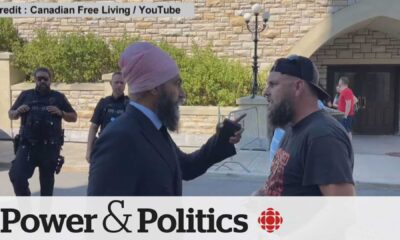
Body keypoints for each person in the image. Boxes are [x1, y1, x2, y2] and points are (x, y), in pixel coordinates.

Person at [87, 42, 244, 196]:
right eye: (176, 84)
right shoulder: (118, 138)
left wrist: (222, 139)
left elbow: (187, 167)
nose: (182, 94)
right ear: (154, 87)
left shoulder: (153, 128)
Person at [255, 55, 355, 196]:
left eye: (273, 84)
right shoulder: (292, 128)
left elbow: (342, 209)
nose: (265, 92)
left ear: (298, 87)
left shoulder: (323, 136)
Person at [8, 67, 77, 196]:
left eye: (45, 79)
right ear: (35, 80)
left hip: (49, 148)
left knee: (47, 187)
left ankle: (44, 215)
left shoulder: (58, 97)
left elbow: (74, 117)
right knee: (17, 176)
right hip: (27, 146)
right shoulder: (25, 95)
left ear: (50, 80)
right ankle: (26, 210)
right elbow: (11, 114)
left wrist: (61, 112)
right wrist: (17, 112)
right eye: (39, 79)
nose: (42, 81)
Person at [86, 72, 129, 162]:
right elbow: (93, 127)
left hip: (124, 149)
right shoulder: (103, 103)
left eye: (122, 83)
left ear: (125, 84)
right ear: (111, 83)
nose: (119, 85)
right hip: (105, 148)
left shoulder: (130, 104)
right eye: (116, 82)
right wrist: (89, 150)